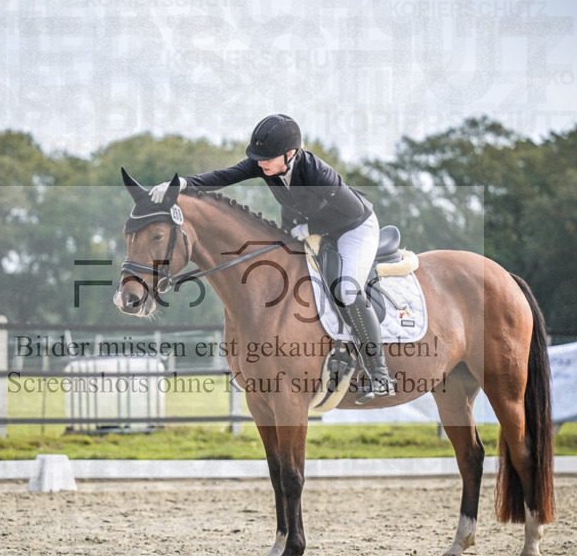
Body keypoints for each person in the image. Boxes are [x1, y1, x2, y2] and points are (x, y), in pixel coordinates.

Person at [148, 114, 394, 404]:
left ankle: (379, 373)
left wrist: (310, 229)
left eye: (267, 158)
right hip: (310, 228)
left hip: (354, 228)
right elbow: (224, 176)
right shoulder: (266, 164)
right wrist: (182, 184)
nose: (260, 164)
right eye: (257, 158)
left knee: (346, 289)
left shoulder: (318, 174)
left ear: (290, 154)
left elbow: (351, 213)